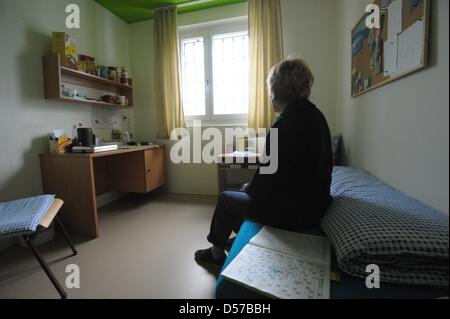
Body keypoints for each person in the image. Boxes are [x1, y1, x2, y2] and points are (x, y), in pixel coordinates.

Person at [195, 58, 334, 268]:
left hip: (291, 215)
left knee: (226, 199)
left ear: (278, 92)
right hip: (314, 208)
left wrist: (249, 189)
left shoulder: (284, 124)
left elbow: (268, 177)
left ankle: (215, 254)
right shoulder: (317, 116)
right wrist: (251, 187)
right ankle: (238, 239)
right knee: (245, 191)